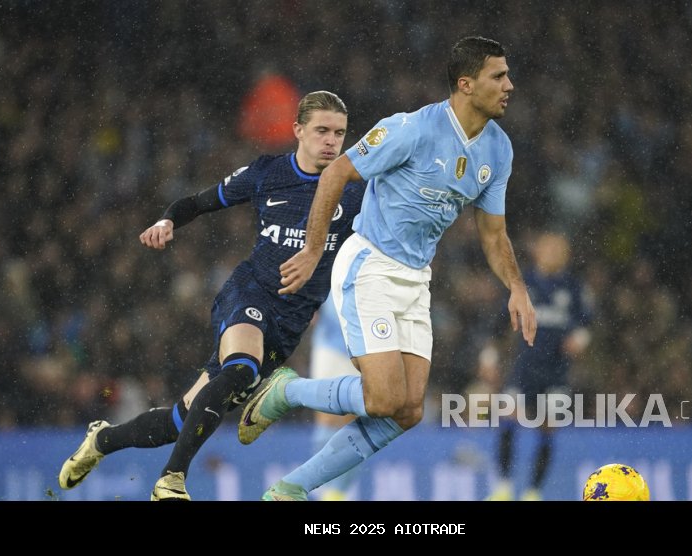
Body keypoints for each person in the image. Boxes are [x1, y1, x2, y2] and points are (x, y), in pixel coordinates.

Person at [237, 36, 538, 501]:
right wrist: (317, 250)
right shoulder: (410, 129)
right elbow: (337, 173)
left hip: (417, 280)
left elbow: (494, 234)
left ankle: (291, 489)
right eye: (498, 76)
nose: (509, 85)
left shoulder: (498, 150)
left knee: (408, 410)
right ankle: (287, 391)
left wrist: (516, 288)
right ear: (465, 84)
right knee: (381, 398)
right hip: (371, 266)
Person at [58, 90, 365, 501]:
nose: (331, 141)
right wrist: (168, 220)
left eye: (339, 133)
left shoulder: (355, 191)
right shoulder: (267, 173)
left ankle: (103, 440)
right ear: (298, 130)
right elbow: (197, 202)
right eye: (322, 130)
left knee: (177, 421)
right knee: (241, 369)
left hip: (289, 326)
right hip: (249, 292)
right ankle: (171, 481)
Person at [486, 232, 591, 501]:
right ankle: (503, 487)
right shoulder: (523, 285)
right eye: (548, 248)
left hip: (557, 371)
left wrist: (580, 338)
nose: (553, 253)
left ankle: (533, 492)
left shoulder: (573, 287)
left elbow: (587, 323)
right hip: (524, 368)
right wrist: (488, 357)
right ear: (538, 252)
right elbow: (498, 324)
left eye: (559, 249)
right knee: (508, 419)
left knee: (547, 427)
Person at [308, 295, 362, 501]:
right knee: (328, 416)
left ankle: (337, 492)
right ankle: (327, 491)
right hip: (330, 341)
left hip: (365, 344)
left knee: (354, 424)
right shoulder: (327, 261)